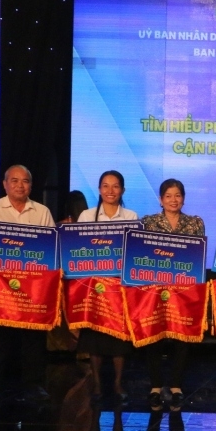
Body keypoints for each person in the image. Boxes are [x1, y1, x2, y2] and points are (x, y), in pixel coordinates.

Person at [0, 165, 56, 403]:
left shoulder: (42, 211)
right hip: (1, 289)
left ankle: (34, 385)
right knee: (0, 340)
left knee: (33, 339)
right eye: (14, 181)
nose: (20, 185)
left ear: (31, 186)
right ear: (5, 184)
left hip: (32, 290)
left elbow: (51, 249)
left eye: (25, 181)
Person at [140, 178, 205, 410]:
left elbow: (199, 255)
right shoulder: (148, 222)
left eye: (177, 195)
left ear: (183, 198)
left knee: (182, 335)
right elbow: (141, 253)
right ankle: (156, 386)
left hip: (184, 289)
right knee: (154, 335)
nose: (173, 200)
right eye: (168, 196)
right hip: (155, 289)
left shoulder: (195, 223)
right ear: (161, 199)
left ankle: (176, 385)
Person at [74, 171, 138, 403]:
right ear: (99, 189)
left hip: (119, 287)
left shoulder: (131, 216)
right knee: (95, 338)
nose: (110, 191)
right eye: (105, 186)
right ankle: (98, 384)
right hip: (94, 287)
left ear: (123, 190)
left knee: (119, 338)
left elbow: (134, 251)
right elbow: (77, 248)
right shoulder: (87, 215)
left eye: (115, 186)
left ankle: (118, 383)